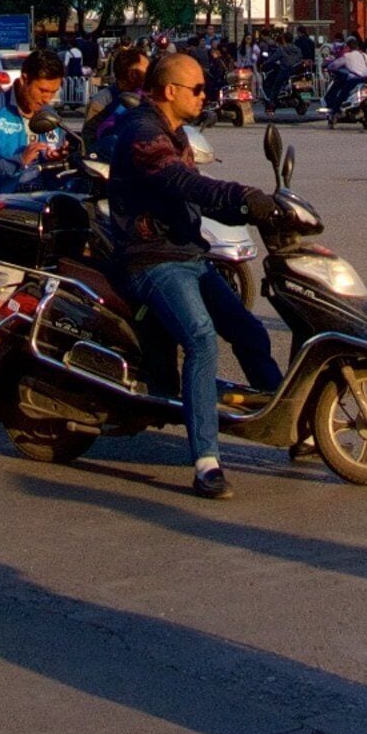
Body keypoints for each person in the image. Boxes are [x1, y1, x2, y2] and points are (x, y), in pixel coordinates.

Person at [96, 51, 287, 499]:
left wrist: (255, 208)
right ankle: (206, 462)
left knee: (249, 330)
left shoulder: (174, 132)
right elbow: (185, 185)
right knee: (200, 337)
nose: (206, 95)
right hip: (151, 260)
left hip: (187, 254)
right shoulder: (144, 135)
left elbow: (198, 193)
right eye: (198, 88)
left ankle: (283, 417)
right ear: (169, 91)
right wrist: (244, 197)